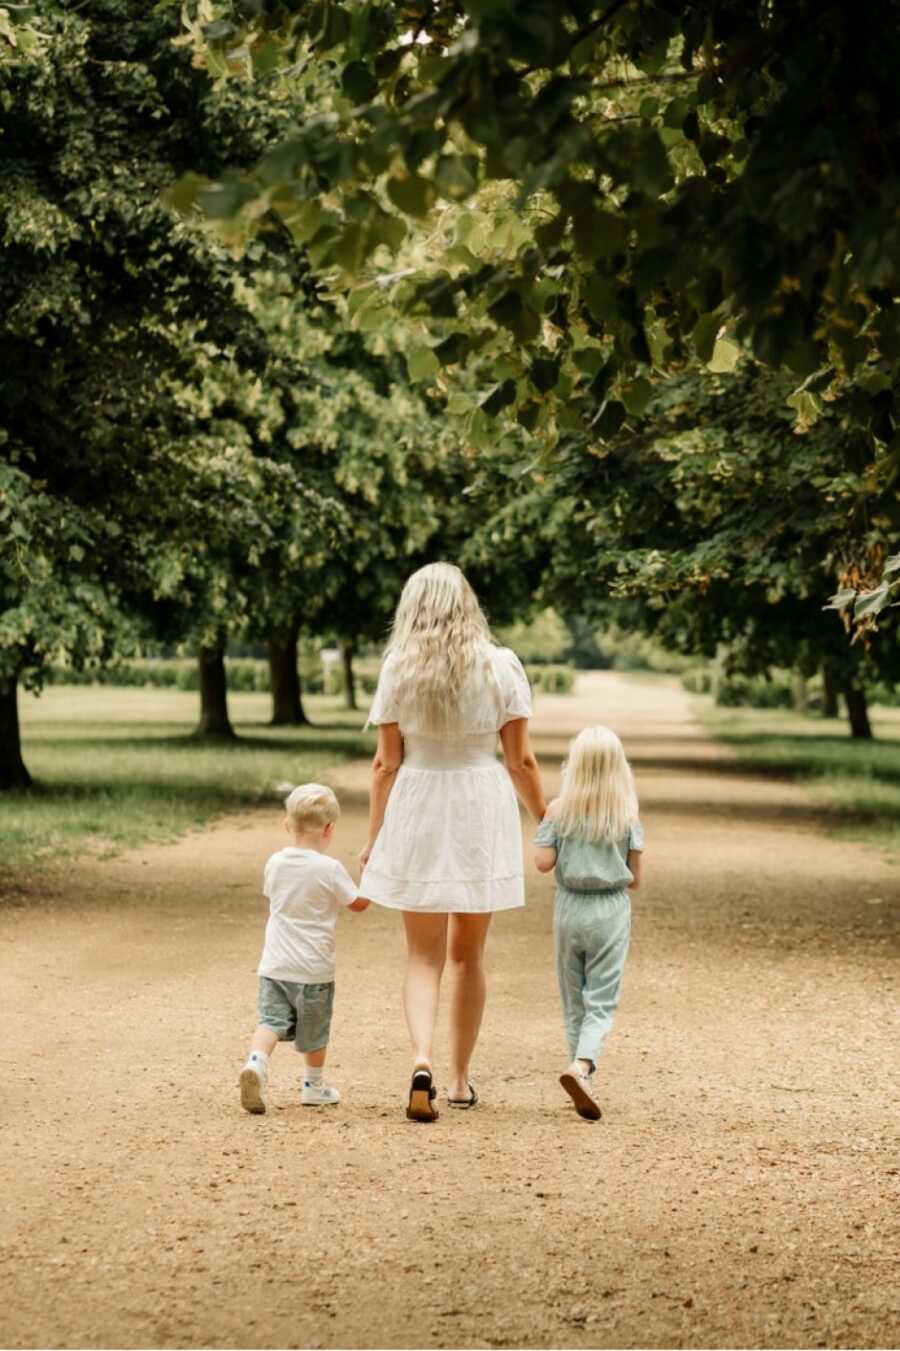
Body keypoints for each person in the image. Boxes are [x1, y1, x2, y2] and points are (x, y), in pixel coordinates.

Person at [359, 562, 546, 1121]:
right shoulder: (500, 666)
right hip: (478, 805)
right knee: (468, 954)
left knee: (422, 954)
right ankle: (461, 1079)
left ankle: (422, 1060)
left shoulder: (398, 668)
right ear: (469, 605)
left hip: (419, 800)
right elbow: (521, 759)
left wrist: (374, 839)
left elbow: (385, 764)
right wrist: (544, 816)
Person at [533, 726, 643, 1122]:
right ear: (619, 768)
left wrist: (549, 834)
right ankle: (582, 1066)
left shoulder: (558, 809)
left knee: (573, 999)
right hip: (610, 910)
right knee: (602, 998)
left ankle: (576, 1068)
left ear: (573, 765)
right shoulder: (625, 814)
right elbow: (636, 878)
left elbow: (543, 863)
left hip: (569, 908)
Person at [239, 783, 369, 1115]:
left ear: (287, 825)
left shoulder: (275, 863)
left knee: (270, 1020)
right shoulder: (330, 869)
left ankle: (256, 1063)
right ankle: (313, 1085)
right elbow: (358, 904)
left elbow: (274, 897)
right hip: (313, 970)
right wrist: (369, 874)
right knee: (315, 1031)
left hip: (275, 965)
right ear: (330, 829)